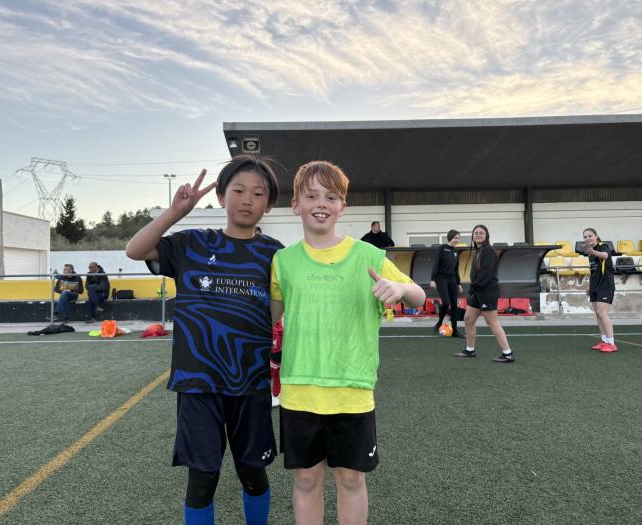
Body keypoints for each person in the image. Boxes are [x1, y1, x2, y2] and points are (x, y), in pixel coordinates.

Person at [126, 155, 283, 525]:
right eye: (238, 190)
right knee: (202, 477)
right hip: (198, 381)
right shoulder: (192, 244)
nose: (247, 199)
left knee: (253, 472)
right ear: (222, 197)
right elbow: (135, 250)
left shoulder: (276, 253)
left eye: (258, 193)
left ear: (268, 204)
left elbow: (277, 312)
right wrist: (175, 213)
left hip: (251, 381)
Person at [270, 161, 425, 524]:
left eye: (331, 196)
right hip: (299, 390)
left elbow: (418, 296)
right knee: (307, 479)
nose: (320, 204)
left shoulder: (369, 256)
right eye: (311, 196)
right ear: (295, 204)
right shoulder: (283, 261)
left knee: (351, 479)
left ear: (343, 206)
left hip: (352, 390)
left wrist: (399, 288)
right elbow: (268, 318)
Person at [454, 225, 514, 363]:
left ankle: (508, 353)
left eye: (481, 233)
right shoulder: (479, 251)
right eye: (476, 233)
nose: (478, 235)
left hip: (487, 291)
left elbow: (486, 274)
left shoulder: (489, 251)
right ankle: (470, 350)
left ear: (486, 235)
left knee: (492, 322)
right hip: (478, 291)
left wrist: (473, 288)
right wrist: (474, 289)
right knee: (468, 319)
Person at [583, 228, 617, 352]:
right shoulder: (590, 253)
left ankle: (611, 343)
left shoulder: (603, 246)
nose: (587, 238)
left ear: (596, 236)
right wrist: (589, 286)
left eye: (590, 236)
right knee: (598, 314)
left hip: (605, 285)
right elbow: (593, 271)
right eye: (585, 237)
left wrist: (593, 251)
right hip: (595, 285)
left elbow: (605, 255)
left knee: (602, 313)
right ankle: (604, 341)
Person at [430, 229, 464, 337]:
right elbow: (436, 264)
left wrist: (458, 283)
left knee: (454, 305)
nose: (457, 240)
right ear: (450, 237)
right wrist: (433, 279)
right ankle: (440, 322)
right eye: (455, 238)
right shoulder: (442, 248)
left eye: (458, 238)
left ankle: (455, 330)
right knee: (445, 303)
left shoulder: (456, 252)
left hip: (452, 279)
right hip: (441, 278)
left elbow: (456, 269)